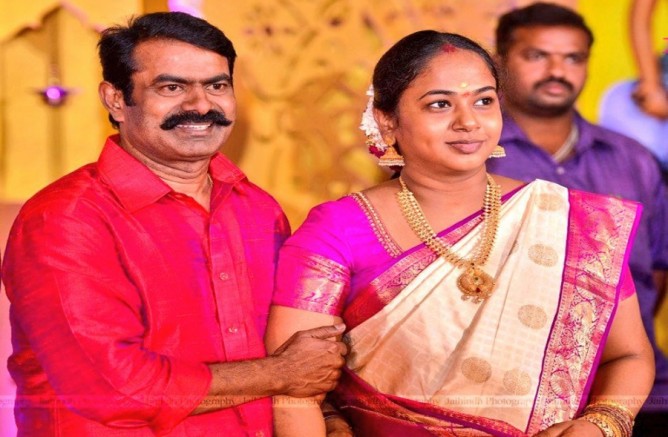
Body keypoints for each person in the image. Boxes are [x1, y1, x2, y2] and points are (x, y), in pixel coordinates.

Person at [265, 30, 654, 436]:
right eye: (440, 104)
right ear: (387, 120)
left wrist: (602, 422)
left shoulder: (565, 220)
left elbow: (628, 356)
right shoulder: (338, 229)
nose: (468, 122)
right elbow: (295, 390)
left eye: (483, 101)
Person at [2, 12, 347, 436]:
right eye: (172, 87)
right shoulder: (66, 219)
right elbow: (112, 390)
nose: (201, 105)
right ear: (115, 99)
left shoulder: (257, 208)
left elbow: (293, 344)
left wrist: (327, 416)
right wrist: (280, 374)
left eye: (217, 86)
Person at [488, 2, 668, 435]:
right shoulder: (472, 157)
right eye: (537, 56)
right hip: (504, 398)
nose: (557, 71)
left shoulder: (633, 159)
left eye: (573, 58)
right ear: (499, 63)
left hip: (642, 397)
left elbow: (657, 270)